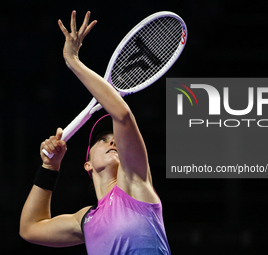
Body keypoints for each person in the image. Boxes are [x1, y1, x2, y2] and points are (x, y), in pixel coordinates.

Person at [19, 10, 171, 254]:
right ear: (87, 164)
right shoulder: (86, 220)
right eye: (103, 140)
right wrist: (50, 168)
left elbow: (121, 115)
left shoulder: (136, 184)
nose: (113, 142)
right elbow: (31, 228)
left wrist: (73, 62)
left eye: (115, 140)